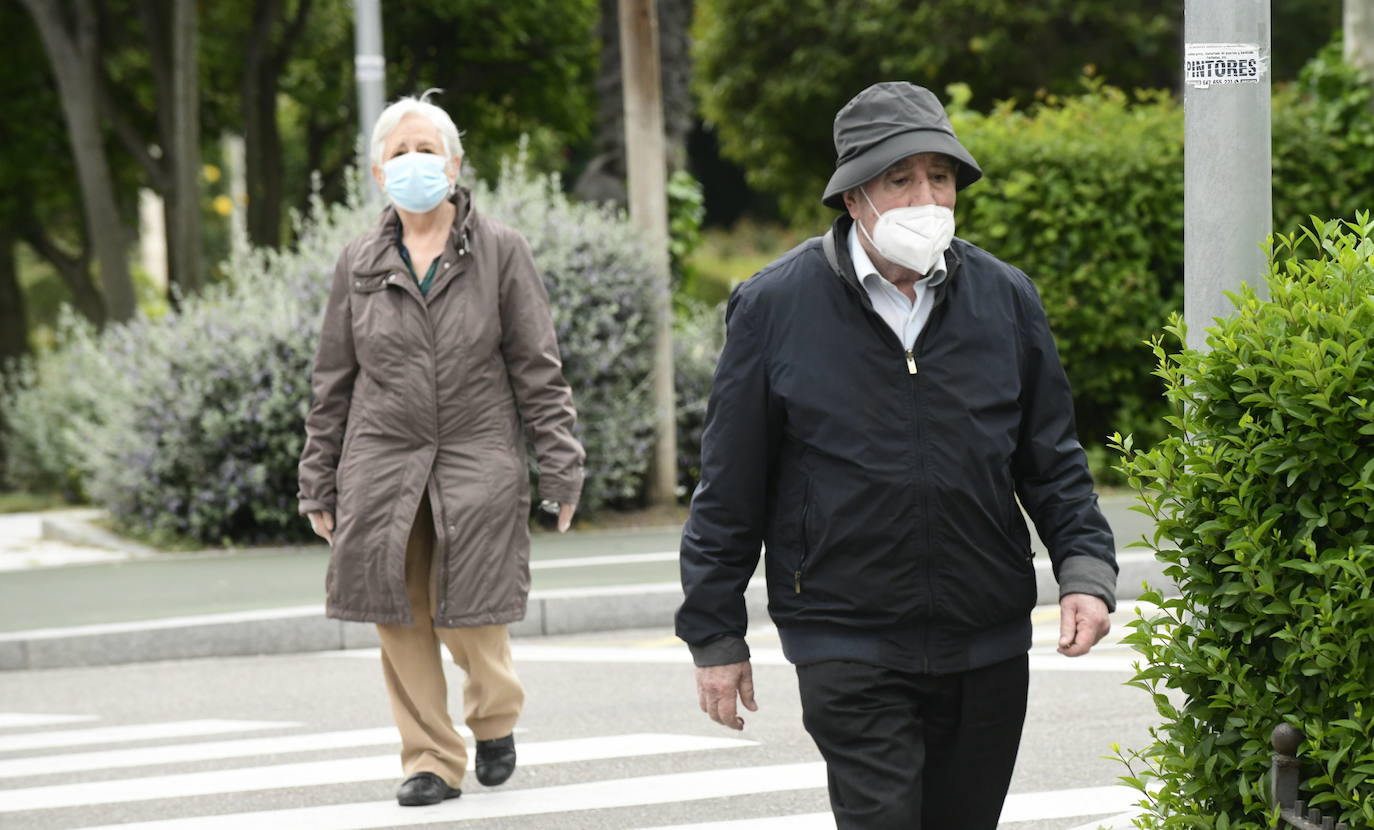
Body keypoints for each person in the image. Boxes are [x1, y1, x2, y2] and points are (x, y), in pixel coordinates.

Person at [676, 81, 1118, 829]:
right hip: (846, 636)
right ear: (854, 198)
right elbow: (730, 485)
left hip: (987, 636)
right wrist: (715, 633)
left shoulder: (1007, 299)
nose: (926, 198)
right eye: (900, 179)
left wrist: (1085, 570)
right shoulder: (775, 307)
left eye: (939, 177)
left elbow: (1050, 459)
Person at [297, 91, 584, 808]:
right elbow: (332, 379)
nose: (415, 163)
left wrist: (561, 463)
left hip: (475, 454)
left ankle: (494, 719)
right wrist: (318, 481)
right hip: (381, 459)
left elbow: (536, 367)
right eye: (400, 153)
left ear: (456, 165)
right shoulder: (358, 261)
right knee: (397, 615)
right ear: (376, 173)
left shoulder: (501, 250)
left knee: (474, 613)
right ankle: (429, 757)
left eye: (429, 150)